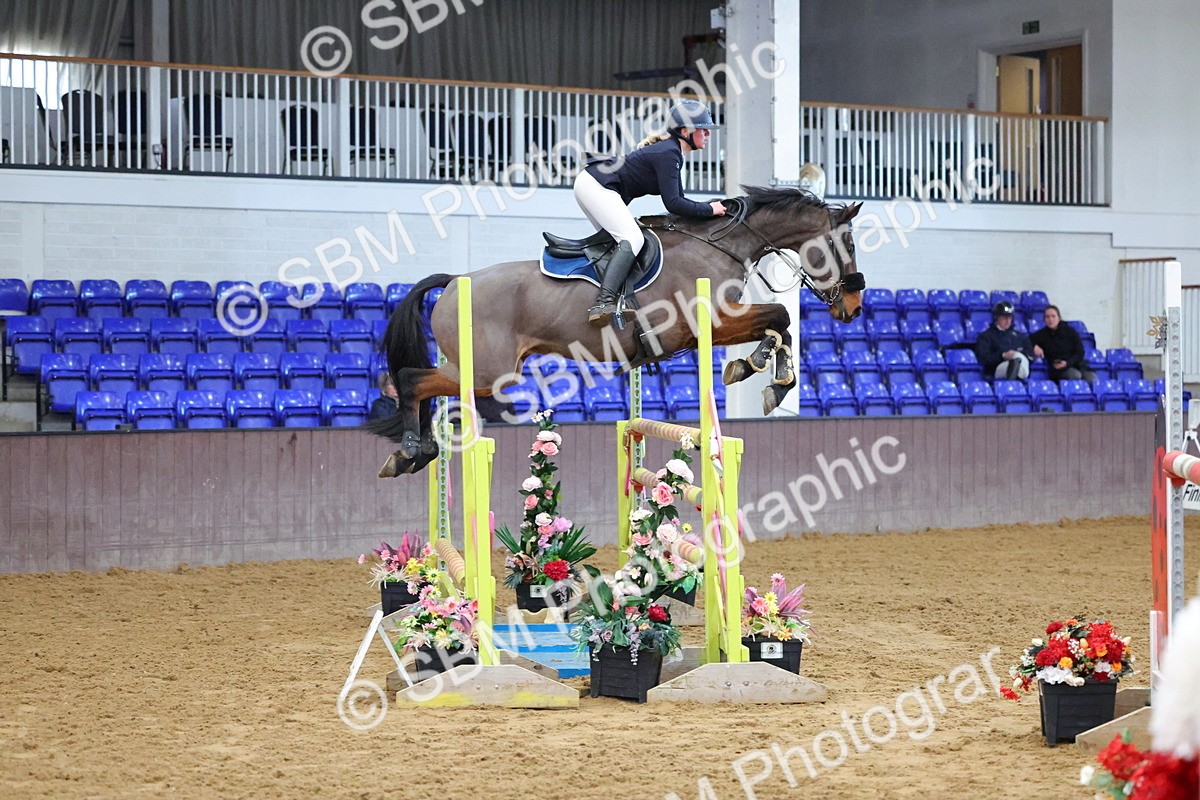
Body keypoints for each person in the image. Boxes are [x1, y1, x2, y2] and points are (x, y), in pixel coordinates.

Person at [575, 98, 726, 326]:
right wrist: (710, 209)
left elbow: (680, 202)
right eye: (703, 129)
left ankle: (618, 298)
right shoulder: (669, 153)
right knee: (632, 238)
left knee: (620, 243)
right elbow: (674, 204)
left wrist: (707, 210)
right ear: (685, 131)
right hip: (595, 185)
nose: (708, 134)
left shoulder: (673, 153)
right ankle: (603, 303)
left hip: (593, 184)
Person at [1030, 305, 1096, 382]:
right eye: (1047, 317)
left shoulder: (1070, 331)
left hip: (1076, 364)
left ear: (1059, 318)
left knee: (1091, 377)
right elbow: (1028, 339)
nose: (1050, 319)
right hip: (1058, 369)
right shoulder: (1041, 335)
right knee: (1075, 375)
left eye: (1053, 316)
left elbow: (1080, 352)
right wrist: (1035, 346)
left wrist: (1067, 363)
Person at [974, 301, 1033, 380]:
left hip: (1022, 364)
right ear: (996, 318)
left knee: (1018, 359)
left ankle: (1015, 376)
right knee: (1015, 362)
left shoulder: (1020, 336)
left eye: (1010, 317)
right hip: (996, 369)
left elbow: (1030, 354)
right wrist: (1003, 355)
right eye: (1004, 317)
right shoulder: (986, 336)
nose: (1007, 321)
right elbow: (984, 358)